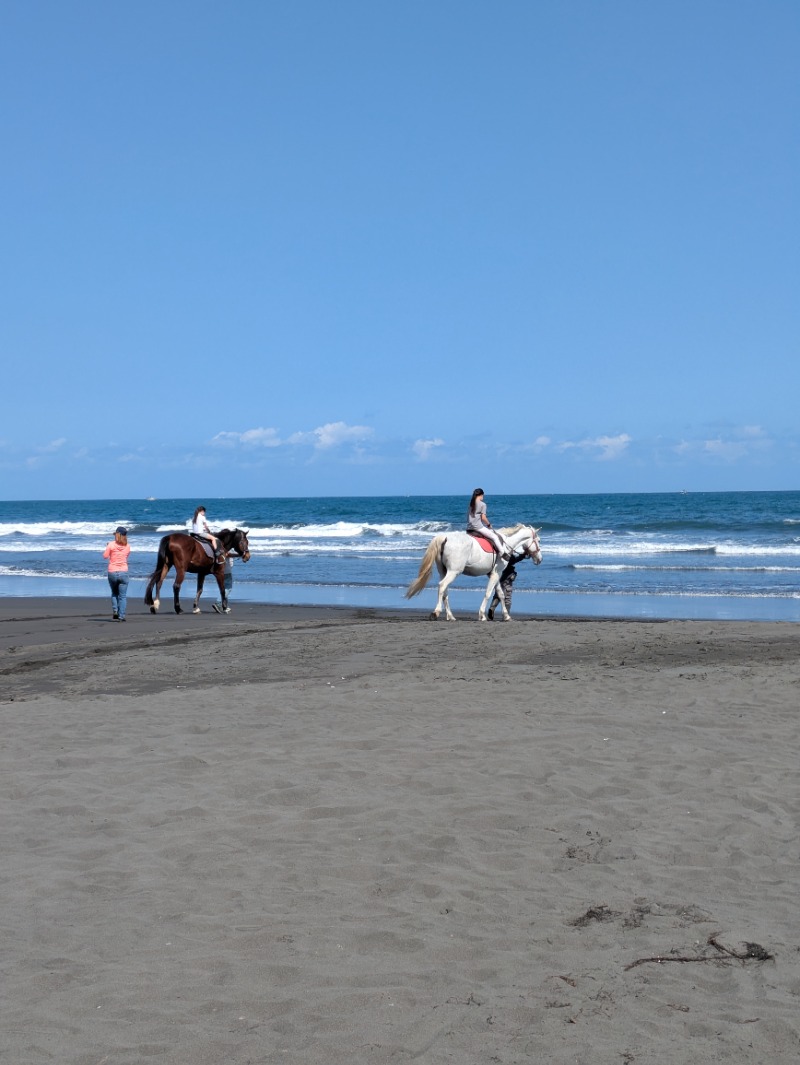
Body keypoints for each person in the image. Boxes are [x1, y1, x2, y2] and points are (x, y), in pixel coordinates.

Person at [466, 488, 510, 559]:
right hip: (478, 527)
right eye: (483, 495)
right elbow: (483, 518)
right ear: (481, 495)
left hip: (469, 527)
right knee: (494, 537)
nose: (483, 497)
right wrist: (489, 525)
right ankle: (502, 553)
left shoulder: (471, 504)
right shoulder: (482, 504)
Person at [103, 526, 131, 622]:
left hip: (112, 571)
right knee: (122, 596)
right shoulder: (127, 546)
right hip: (123, 571)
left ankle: (115, 610)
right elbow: (126, 556)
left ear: (117, 535)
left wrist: (108, 547)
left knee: (115, 593)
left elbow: (105, 556)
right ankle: (121, 616)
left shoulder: (111, 544)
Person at [487, 551, 525, 620]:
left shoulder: (500, 560)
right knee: (507, 597)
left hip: (500, 578)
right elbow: (514, 560)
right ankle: (506, 615)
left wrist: (522, 556)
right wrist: (523, 555)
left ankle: (492, 608)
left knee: (498, 595)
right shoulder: (508, 560)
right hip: (507, 579)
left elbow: (514, 560)